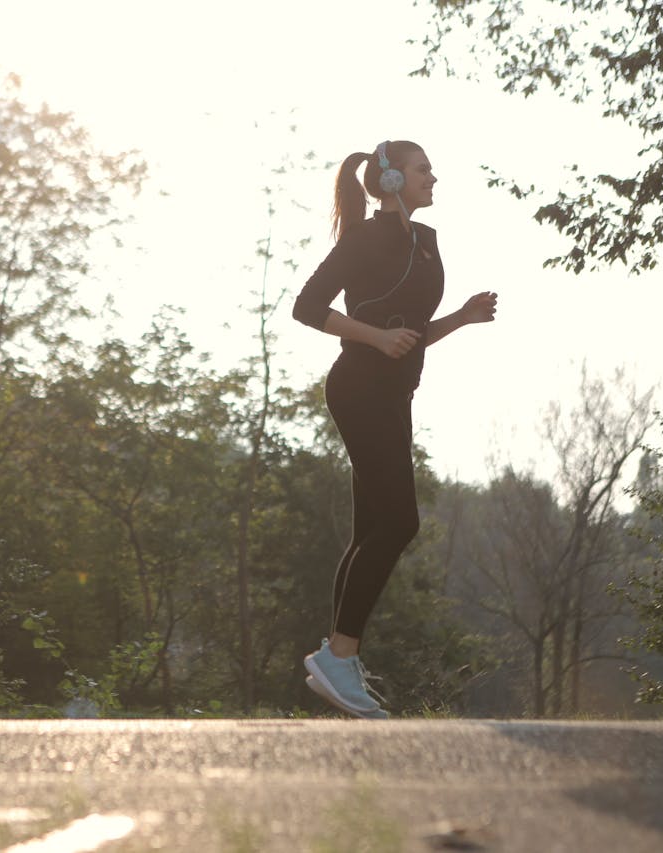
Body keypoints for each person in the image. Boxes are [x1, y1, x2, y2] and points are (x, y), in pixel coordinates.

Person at [291, 140, 498, 720]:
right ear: (390, 179)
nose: (434, 177)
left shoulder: (425, 242)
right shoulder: (362, 240)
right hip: (359, 388)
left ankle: (340, 661)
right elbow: (307, 307)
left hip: (393, 393)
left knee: (371, 529)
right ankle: (339, 655)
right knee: (399, 522)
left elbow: (410, 331)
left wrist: (460, 317)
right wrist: (375, 338)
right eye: (423, 170)